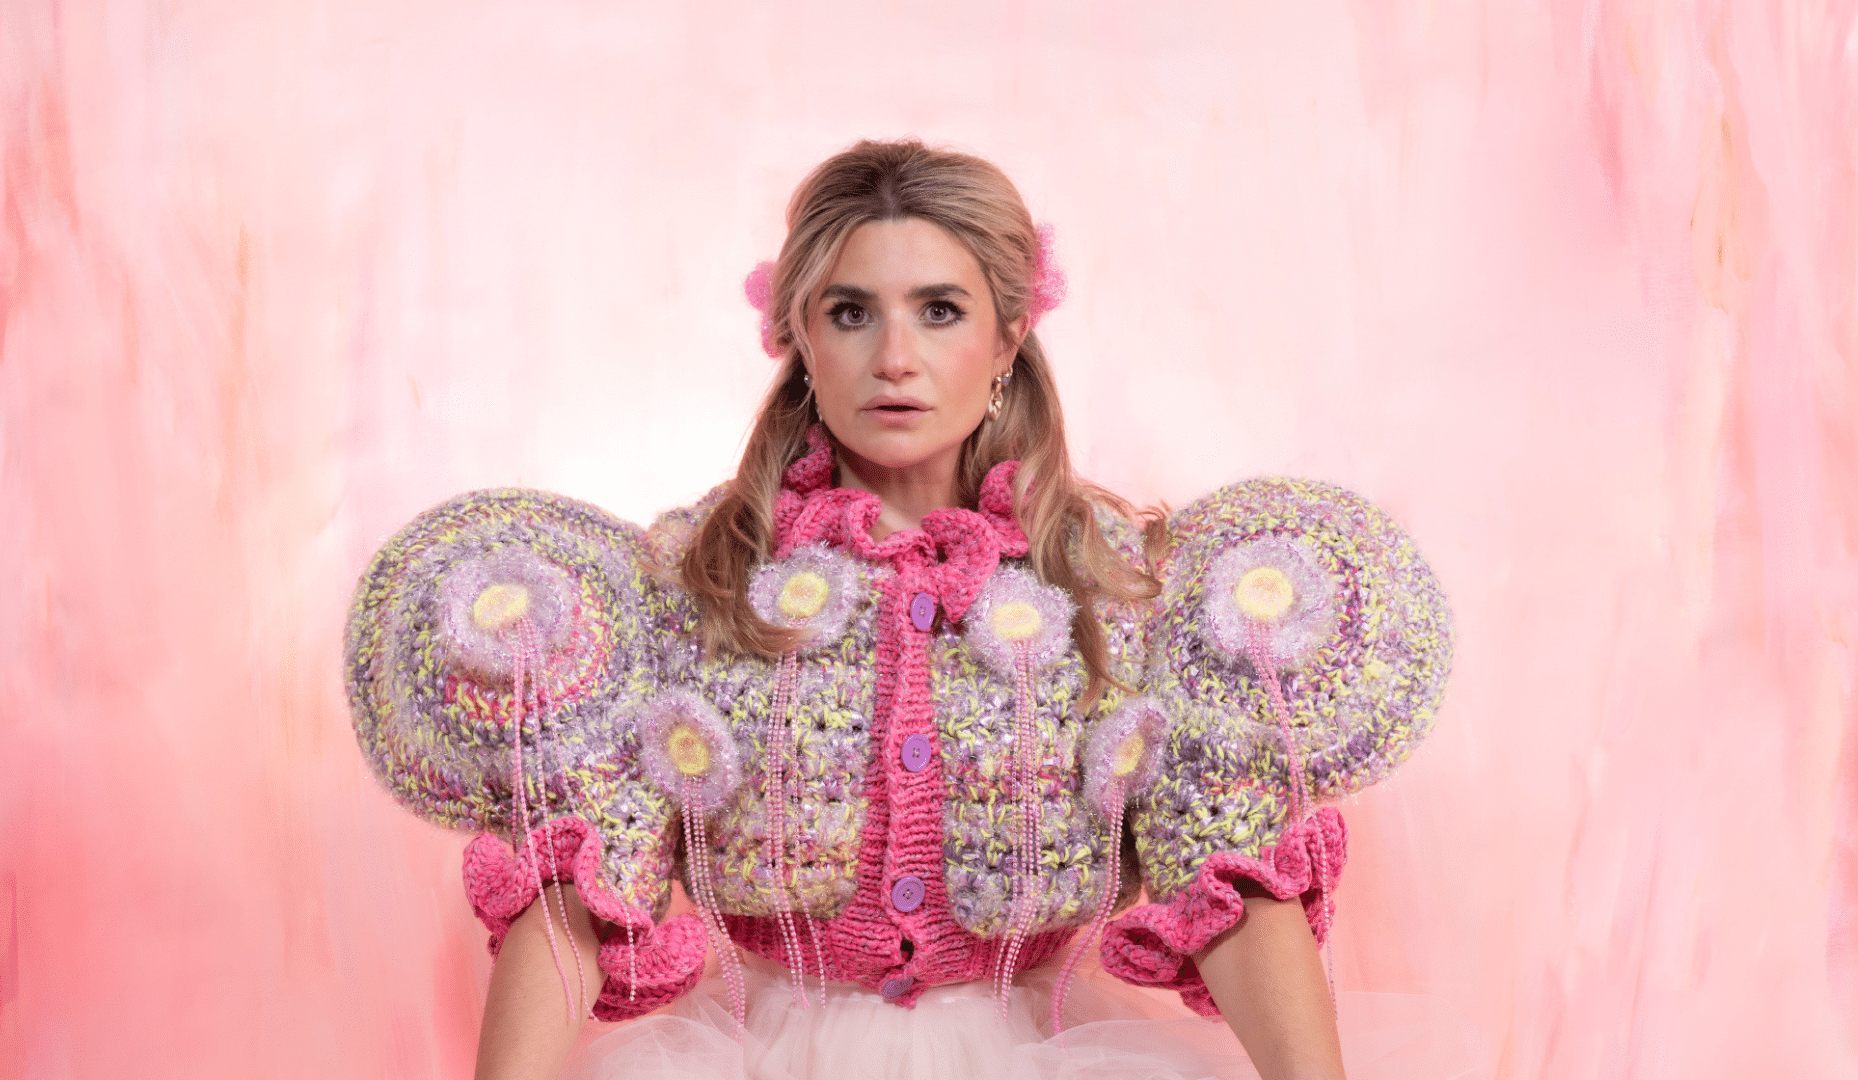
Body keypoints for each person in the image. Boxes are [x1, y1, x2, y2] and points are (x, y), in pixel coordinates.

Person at [345, 139, 1451, 1080]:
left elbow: (1232, 883)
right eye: (851, 312)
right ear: (800, 342)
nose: (897, 358)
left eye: (939, 310)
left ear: (1008, 340)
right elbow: (579, 888)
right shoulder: (688, 582)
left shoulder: (1126, 587)